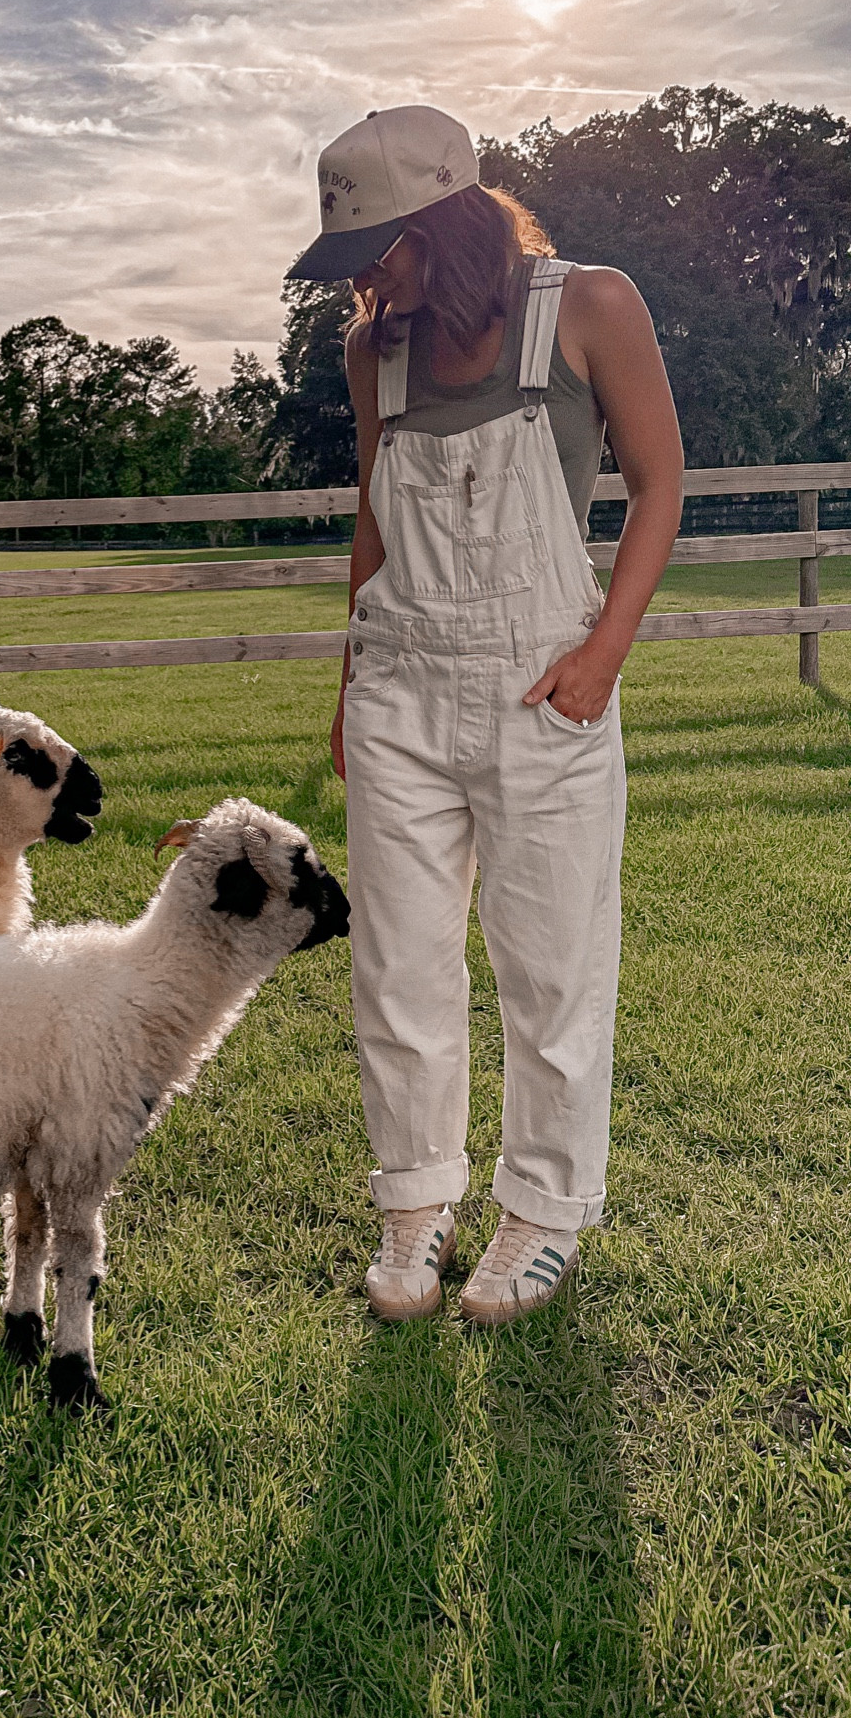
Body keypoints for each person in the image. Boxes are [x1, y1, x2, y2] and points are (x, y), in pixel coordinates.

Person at [289, 105, 683, 1324]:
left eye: (384, 250)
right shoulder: (374, 355)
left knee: (551, 965)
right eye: (354, 260)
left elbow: (663, 482)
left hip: (541, 686)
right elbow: (374, 524)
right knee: (398, 962)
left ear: (452, 219)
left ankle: (542, 1214)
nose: (367, 281)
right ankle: (415, 1201)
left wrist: (605, 650)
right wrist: (351, 696)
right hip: (402, 681)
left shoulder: (592, 307)